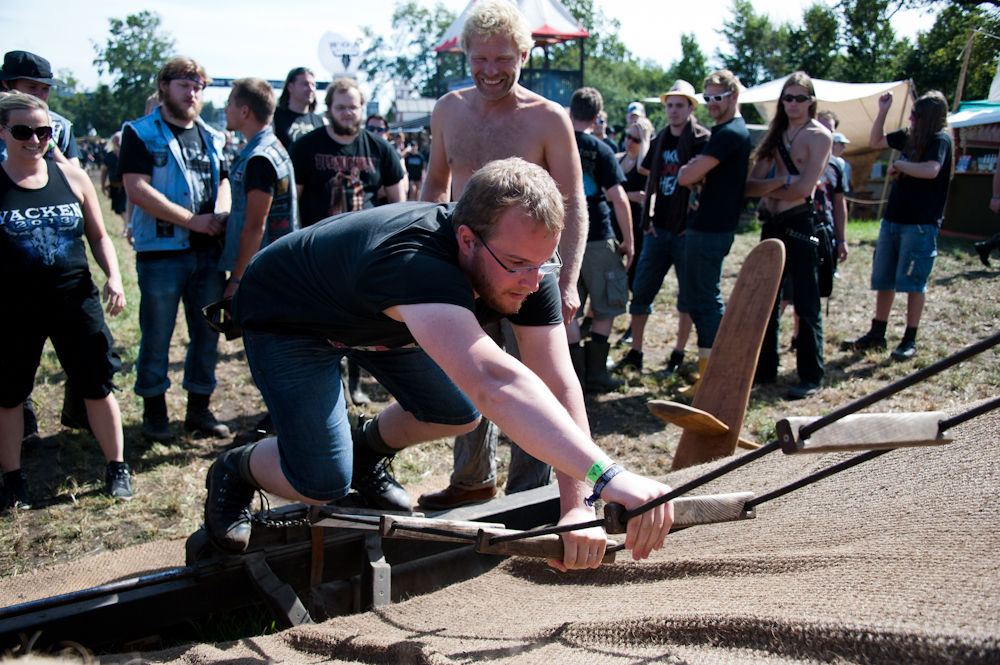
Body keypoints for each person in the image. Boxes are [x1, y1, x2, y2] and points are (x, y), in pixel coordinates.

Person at [203, 157, 675, 570]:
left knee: (457, 413)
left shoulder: (524, 263)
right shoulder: (415, 261)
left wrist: (579, 507)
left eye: (543, 264)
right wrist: (608, 476)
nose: (533, 282)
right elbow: (494, 381)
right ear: (466, 239)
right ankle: (235, 467)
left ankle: (365, 449)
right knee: (323, 481)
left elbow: (556, 381)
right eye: (518, 265)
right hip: (290, 319)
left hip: (372, 316)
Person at [417, 0, 588, 510]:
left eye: (504, 59)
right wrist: (424, 261)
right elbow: (434, 186)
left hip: (530, 268)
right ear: (467, 54)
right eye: (481, 59)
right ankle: (472, 480)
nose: (492, 70)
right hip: (465, 264)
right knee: (467, 370)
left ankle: (531, 493)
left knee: (538, 380)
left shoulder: (548, 119)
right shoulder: (448, 109)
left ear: (523, 55)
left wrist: (570, 277)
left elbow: (573, 200)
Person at [0, 92, 132, 510]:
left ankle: (117, 468)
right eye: (23, 131)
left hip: (75, 301)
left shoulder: (73, 178)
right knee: (9, 394)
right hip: (15, 308)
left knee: (97, 384)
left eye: (44, 131)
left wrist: (114, 276)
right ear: (2, 132)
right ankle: (13, 479)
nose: (35, 139)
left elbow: (97, 235)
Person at [120, 56, 232, 443]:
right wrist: (191, 219)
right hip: (162, 252)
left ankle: (198, 410)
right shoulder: (140, 133)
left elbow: (225, 181)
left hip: (208, 251)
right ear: (164, 86)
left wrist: (219, 211)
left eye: (199, 86)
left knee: (207, 334)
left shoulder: (212, 135)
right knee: (157, 335)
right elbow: (136, 189)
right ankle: (155, 414)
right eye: (184, 84)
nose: (193, 92)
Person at [842, 90, 952, 361]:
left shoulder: (940, 139)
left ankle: (909, 339)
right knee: (885, 279)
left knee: (914, 282)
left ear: (928, 117)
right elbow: (876, 140)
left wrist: (902, 164)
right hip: (893, 219)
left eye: (916, 114)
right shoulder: (908, 137)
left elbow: (932, 169)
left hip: (920, 224)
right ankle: (877, 333)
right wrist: (882, 111)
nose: (911, 117)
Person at [746, 71, 832, 400]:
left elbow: (804, 188)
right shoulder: (776, 134)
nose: (793, 104)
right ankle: (766, 369)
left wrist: (778, 183)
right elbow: (751, 186)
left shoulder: (818, 136)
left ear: (811, 101)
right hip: (772, 223)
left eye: (799, 98)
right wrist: (780, 182)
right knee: (766, 300)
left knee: (806, 303)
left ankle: (810, 375)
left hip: (800, 222)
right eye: (787, 98)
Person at [614, 80, 709, 376]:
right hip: (656, 229)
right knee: (641, 292)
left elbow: (705, 188)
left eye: (680, 105)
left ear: (691, 107)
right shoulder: (662, 138)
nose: (673, 110)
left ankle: (678, 354)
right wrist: (650, 222)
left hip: (685, 231)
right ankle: (636, 352)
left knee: (687, 298)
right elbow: (646, 171)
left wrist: (691, 224)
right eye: (669, 105)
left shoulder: (702, 139)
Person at [675, 70, 752, 398]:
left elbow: (686, 176)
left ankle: (715, 379)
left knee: (704, 302)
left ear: (733, 96)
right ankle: (710, 373)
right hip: (706, 227)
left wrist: (688, 170)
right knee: (699, 300)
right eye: (707, 98)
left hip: (711, 229)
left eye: (717, 97)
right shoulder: (726, 131)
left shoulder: (729, 133)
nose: (711, 104)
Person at [567, 88, 633, 392]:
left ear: (570, 112)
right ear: (596, 117)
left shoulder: (555, 144)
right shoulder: (602, 148)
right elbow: (619, 198)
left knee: (567, 309)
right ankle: (596, 373)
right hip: (597, 236)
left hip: (559, 238)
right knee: (606, 303)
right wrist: (629, 241)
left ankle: (574, 378)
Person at [290, 78, 405, 227]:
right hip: (319, 242)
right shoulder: (305, 146)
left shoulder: (381, 148)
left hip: (366, 243)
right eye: (340, 107)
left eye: (353, 107)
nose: (347, 112)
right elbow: (293, 202)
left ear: (361, 109)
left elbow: (398, 203)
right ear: (329, 108)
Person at [0, 51, 81, 167]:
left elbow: (74, 174)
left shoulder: (60, 125)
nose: (41, 95)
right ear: (7, 84)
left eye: (46, 89)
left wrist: (49, 142)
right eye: (32, 87)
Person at [272, 67, 325, 150]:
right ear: (290, 87)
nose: (310, 89)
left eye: (313, 85)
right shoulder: (274, 117)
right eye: (305, 84)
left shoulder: (320, 122)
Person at [100, 132, 128, 237]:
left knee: (124, 208)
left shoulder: (127, 153)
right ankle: (127, 226)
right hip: (114, 186)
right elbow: (104, 171)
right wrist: (103, 185)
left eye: (120, 139)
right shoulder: (109, 155)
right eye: (116, 139)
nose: (118, 141)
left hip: (126, 186)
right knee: (118, 209)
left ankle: (127, 228)